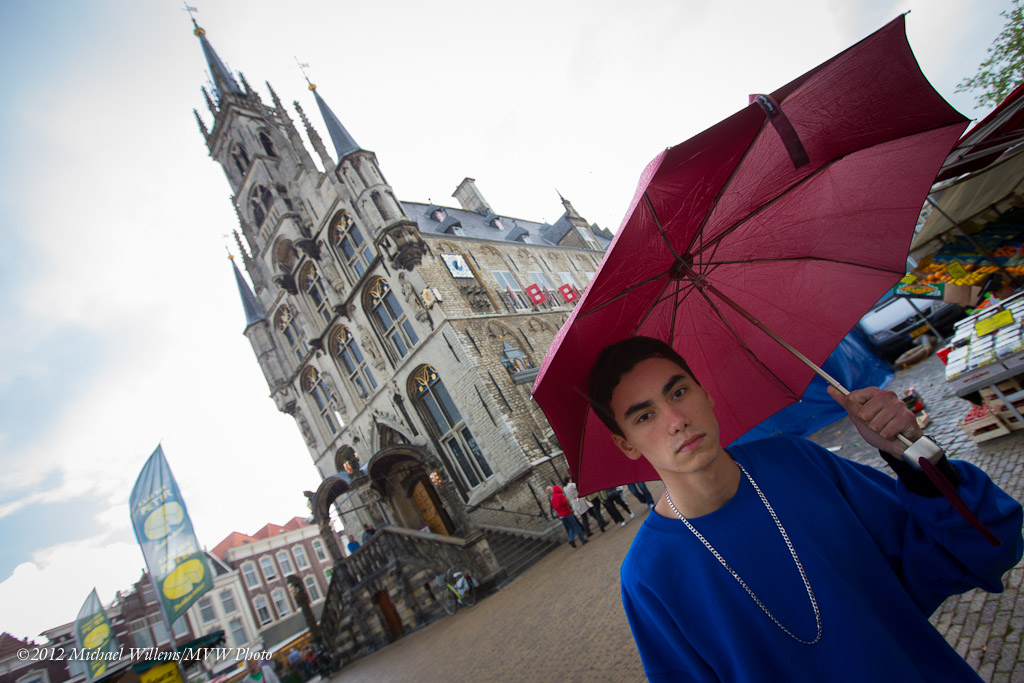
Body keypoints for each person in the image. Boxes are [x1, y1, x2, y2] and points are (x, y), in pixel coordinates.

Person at [586, 335, 1023, 682]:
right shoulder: (648, 577)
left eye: (679, 392)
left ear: (705, 393)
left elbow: (976, 550)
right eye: (644, 416)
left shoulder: (797, 462)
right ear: (626, 444)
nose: (675, 420)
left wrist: (913, 456)